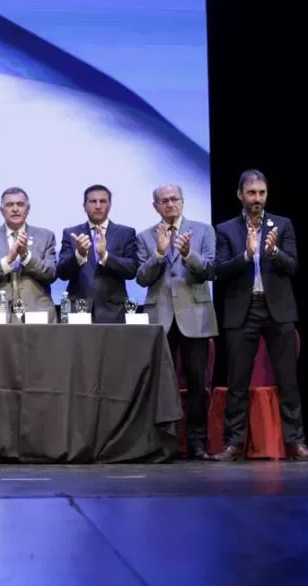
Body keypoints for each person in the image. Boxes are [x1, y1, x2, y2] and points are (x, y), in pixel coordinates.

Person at [212, 169, 308, 461]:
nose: (257, 198)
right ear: (240, 195)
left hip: (277, 309)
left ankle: (296, 443)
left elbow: (292, 267)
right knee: (237, 381)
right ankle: (234, 444)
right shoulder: (225, 229)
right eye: (251, 193)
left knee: (288, 380)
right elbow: (219, 270)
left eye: (261, 193)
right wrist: (246, 256)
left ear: (266, 194)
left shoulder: (282, 225)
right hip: (242, 310)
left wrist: (273, 252)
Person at [135, 184, 218, 459]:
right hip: (161, 317)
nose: (170, 204)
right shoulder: (145, 236)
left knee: (197, 384)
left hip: (195, 316)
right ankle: (163, 444)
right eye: (164, 201)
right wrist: (159, 255)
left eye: (174, 199)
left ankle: (197, 442)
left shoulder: (203, 230)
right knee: (160, 384)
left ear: (182, 201)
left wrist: (187, 254)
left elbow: (210, 270)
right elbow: (142, 278)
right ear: (155, 206)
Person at [56, 184, 138, 324]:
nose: (98, 206)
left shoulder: (126, 233)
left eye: (103, 201)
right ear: (84, 206)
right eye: (93, 201)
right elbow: (62, 273)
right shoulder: (71, 233)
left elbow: (131, 270)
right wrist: (79, 255)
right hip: (78, 310)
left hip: (113, 311)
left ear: (110, 205)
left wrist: (105, 256)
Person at [0, 187, 57, 322]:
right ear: (2, 211)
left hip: (38, 315)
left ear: (28, 209)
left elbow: (51, 274)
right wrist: (7, 261)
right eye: (9, 205)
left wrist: (26, 256)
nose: (15, 209)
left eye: (20, 204)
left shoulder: (46, 236)